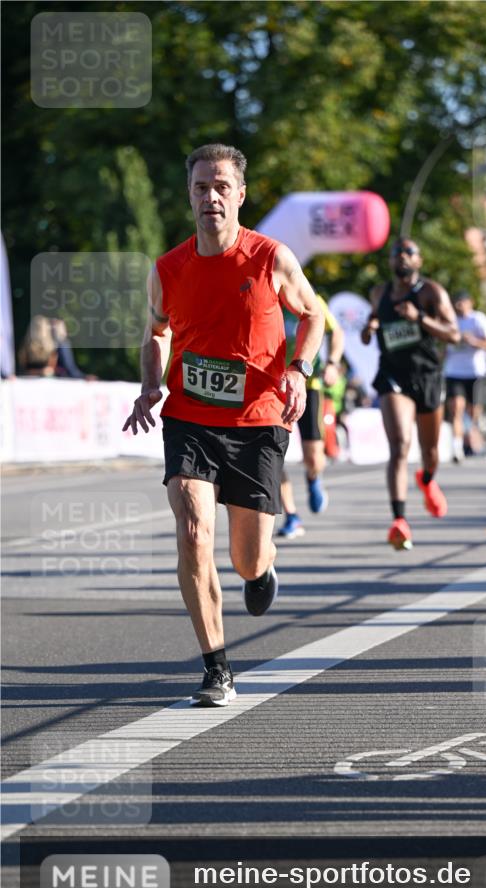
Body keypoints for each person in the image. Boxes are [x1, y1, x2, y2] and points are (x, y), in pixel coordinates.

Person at [122, 143, 324, 705]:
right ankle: (216, 666)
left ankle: (261, 572)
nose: (210, 197)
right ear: (189, 195)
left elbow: (313, 315)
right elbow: (157, 331)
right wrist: (149, 386)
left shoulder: (270, 258)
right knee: (191, 531)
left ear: (239, 194)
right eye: (199, 188)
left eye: (220, 187)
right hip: (189, 416)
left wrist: (300, 371)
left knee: (247, 557)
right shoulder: (168, 268)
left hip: (259, 419)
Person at [361, 237, 460, 550]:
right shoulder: (380, 293)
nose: (401, 257)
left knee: (430, 452)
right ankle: (399, 520)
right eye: (396, 253)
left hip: (427, 376)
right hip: (393, 376)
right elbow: (372, 324)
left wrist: (420, 318)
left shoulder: (430, 292)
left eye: (408, 252)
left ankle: (428, 480)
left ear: (419, 261)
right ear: (390, 262)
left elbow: (454, 334)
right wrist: (370, 327)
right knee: (400, 445)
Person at [277, 292, 345, 539]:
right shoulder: (263, 294)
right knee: (273, 456)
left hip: (308, 384)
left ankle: (313, 476)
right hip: (272, 385)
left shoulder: (308, 295)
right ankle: (291, 515)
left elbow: (336, 332)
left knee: (313, 456)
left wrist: (333, 363)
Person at [444, 291, 486, 462]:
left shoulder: (479, 320)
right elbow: (443, 347)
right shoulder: (450, 321)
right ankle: (457, 448)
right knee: (456, 408)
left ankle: (476, 431)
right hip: (454, 371)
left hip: (475, 372)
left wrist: (473, 341)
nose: (459, 306)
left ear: (470, 302)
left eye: (462, 302)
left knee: (473, 411)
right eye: (456, 302)